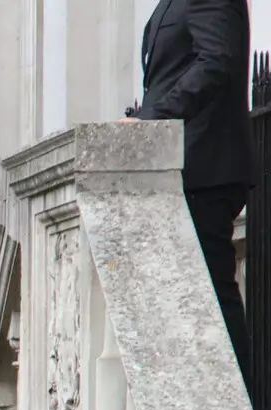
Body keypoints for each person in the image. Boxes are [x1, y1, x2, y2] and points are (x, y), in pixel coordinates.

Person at [128, 0, 252, 366]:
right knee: (187, 310)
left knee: (212, 302)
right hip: (178, 171)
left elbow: (216, 61)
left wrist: (153, 119)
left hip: (203, 169)